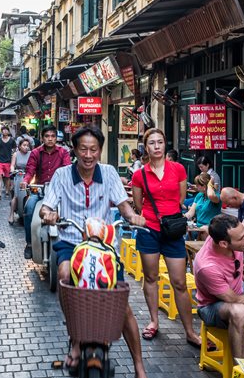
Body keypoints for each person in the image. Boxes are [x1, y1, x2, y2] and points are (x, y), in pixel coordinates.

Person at [39, 125, 147, 378]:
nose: (88, 155)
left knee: (122, 305)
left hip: (104, 247)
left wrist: (134, 217)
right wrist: (49, 215)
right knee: (65, 275)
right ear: (74, 150)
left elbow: (124, 207)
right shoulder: (62, 175)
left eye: (93, 149)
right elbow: (46, 207)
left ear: (100, 150)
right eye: (83, 149)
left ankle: (139, 366)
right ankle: (75, 339)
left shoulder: (109, 173)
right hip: (71, 242)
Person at [130, 129, 202, 347]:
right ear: (146, 147)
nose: (157, 146)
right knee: (150, 278)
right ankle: (154, 321)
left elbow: (181, 199)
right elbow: (139, 204)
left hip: (173, 230)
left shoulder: (178, 169)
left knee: (179, 281)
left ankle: (190, 331)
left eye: (160, 142)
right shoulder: (139, 175)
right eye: (152, 143)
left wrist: (168, 214)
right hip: (149, 229)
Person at [194, 214, 244, 360]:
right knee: (240, 311)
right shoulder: (207, 266)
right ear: (224, 244)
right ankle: (240, 371)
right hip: (212, 307)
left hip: (240, 292)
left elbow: (210, 225)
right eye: (241, 238)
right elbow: (235, 301)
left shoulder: (223, 236)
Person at [21, 124, 71, 259]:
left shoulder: (63, 152)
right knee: (29, 209)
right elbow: (30, 170)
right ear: (42, 138)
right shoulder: (36, 153)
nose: (50, 139)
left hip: (58, 192)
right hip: (40, 190)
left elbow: (68, 170)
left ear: (56, 138)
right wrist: (25, 181)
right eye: (47, 136)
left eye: (53, 136)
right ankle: (30, 243)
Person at [184, 173, 222, 238]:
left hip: (210, 228)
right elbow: (191, 212)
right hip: (197, 227)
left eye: (198, 185)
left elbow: (210, 195)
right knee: (187, 236)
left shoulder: (216, 196)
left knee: (203, 233)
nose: (196, 186)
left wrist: (210, 184)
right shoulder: (199, 195)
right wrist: (182, 217)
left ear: (204, 186)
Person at [9, 138, 32, 225]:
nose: (26, 147)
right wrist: (12, 170)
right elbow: (12, 165)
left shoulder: (31, 154)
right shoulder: (16, 154)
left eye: (27, 145)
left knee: (30, 195)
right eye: (24, 145)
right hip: (19, 176)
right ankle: (11, 214)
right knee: (16, 196)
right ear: (19, 146)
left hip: (29, 176)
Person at [0, 126, 16, 200]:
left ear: (8, 131)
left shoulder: (12, 141)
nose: (4, 131)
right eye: (3, 130)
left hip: (8, 161)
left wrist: (13, 160)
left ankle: (7, 190)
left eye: (6, 130)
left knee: (7, 178)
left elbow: (14, 150)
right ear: (1, 131)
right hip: (0, 161)